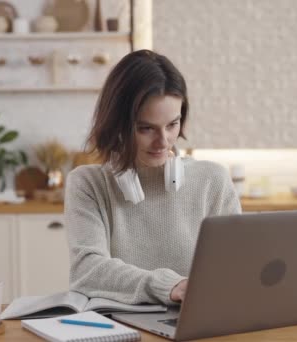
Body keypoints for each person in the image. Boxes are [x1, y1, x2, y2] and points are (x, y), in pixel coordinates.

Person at [64, 49, 241, 306]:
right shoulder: (88, 184)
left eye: (172, 124)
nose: (163, 141)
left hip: (197, 324)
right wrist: (170, 287)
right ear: (117, 124)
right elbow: (87, 271)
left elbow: (239, 267)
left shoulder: (212, 180)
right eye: (145, 128)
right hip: (121, 328)